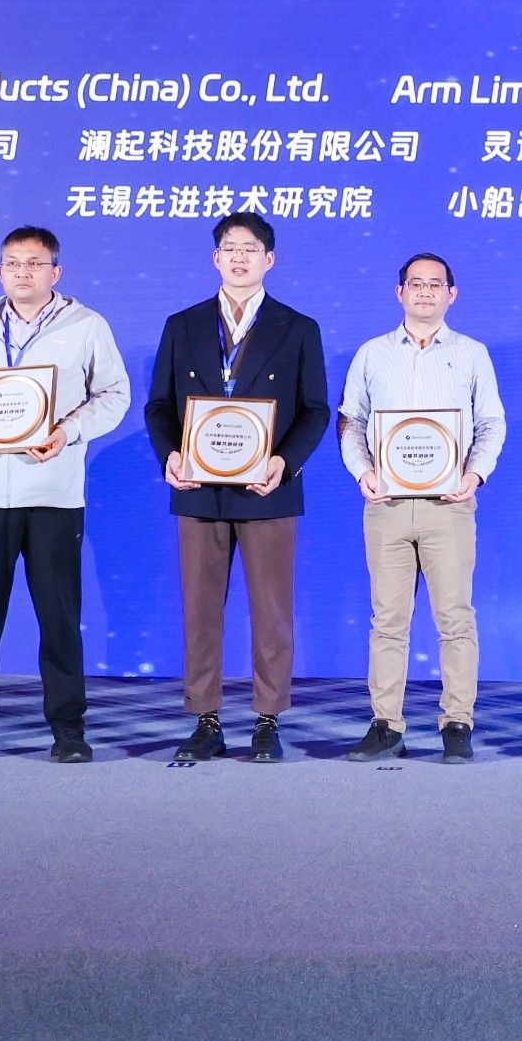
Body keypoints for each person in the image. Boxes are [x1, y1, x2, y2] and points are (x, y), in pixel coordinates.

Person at [0, 227, 131, 765]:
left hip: (53, 492)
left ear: (55, 272)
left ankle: (68, 729)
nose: (22, 272)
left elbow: (115, 394)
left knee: (59, 617)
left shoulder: (86, 325)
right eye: (12, 263)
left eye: (34, 263)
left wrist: (69, 431)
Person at [146, 210, 329, 766]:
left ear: (269, 259)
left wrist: (284, 462)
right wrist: (170, 454)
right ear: (215, 258)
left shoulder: (298, 327)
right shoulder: (183, 324)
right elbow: (158, 405)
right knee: (200, 610)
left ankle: (268, 720)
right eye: (229, 247)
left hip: (268, 489)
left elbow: (316, 410)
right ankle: (205, 719)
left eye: (250, 248)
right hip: (198, 488)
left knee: (271, 612)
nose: (239, 256)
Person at [336, 252, 504, 762]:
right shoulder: (372, 354)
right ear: (400, 293)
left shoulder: (472, 353)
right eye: (416, 283)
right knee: (388, 620)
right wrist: (363, 472)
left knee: (455, 618)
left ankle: (457, 722)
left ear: (452, 294)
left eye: (435, 284)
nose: (425, 291)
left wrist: (473, 476)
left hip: (448, 506)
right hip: (386, 504)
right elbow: (350, 421)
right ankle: (386, 724)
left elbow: (490, 423)